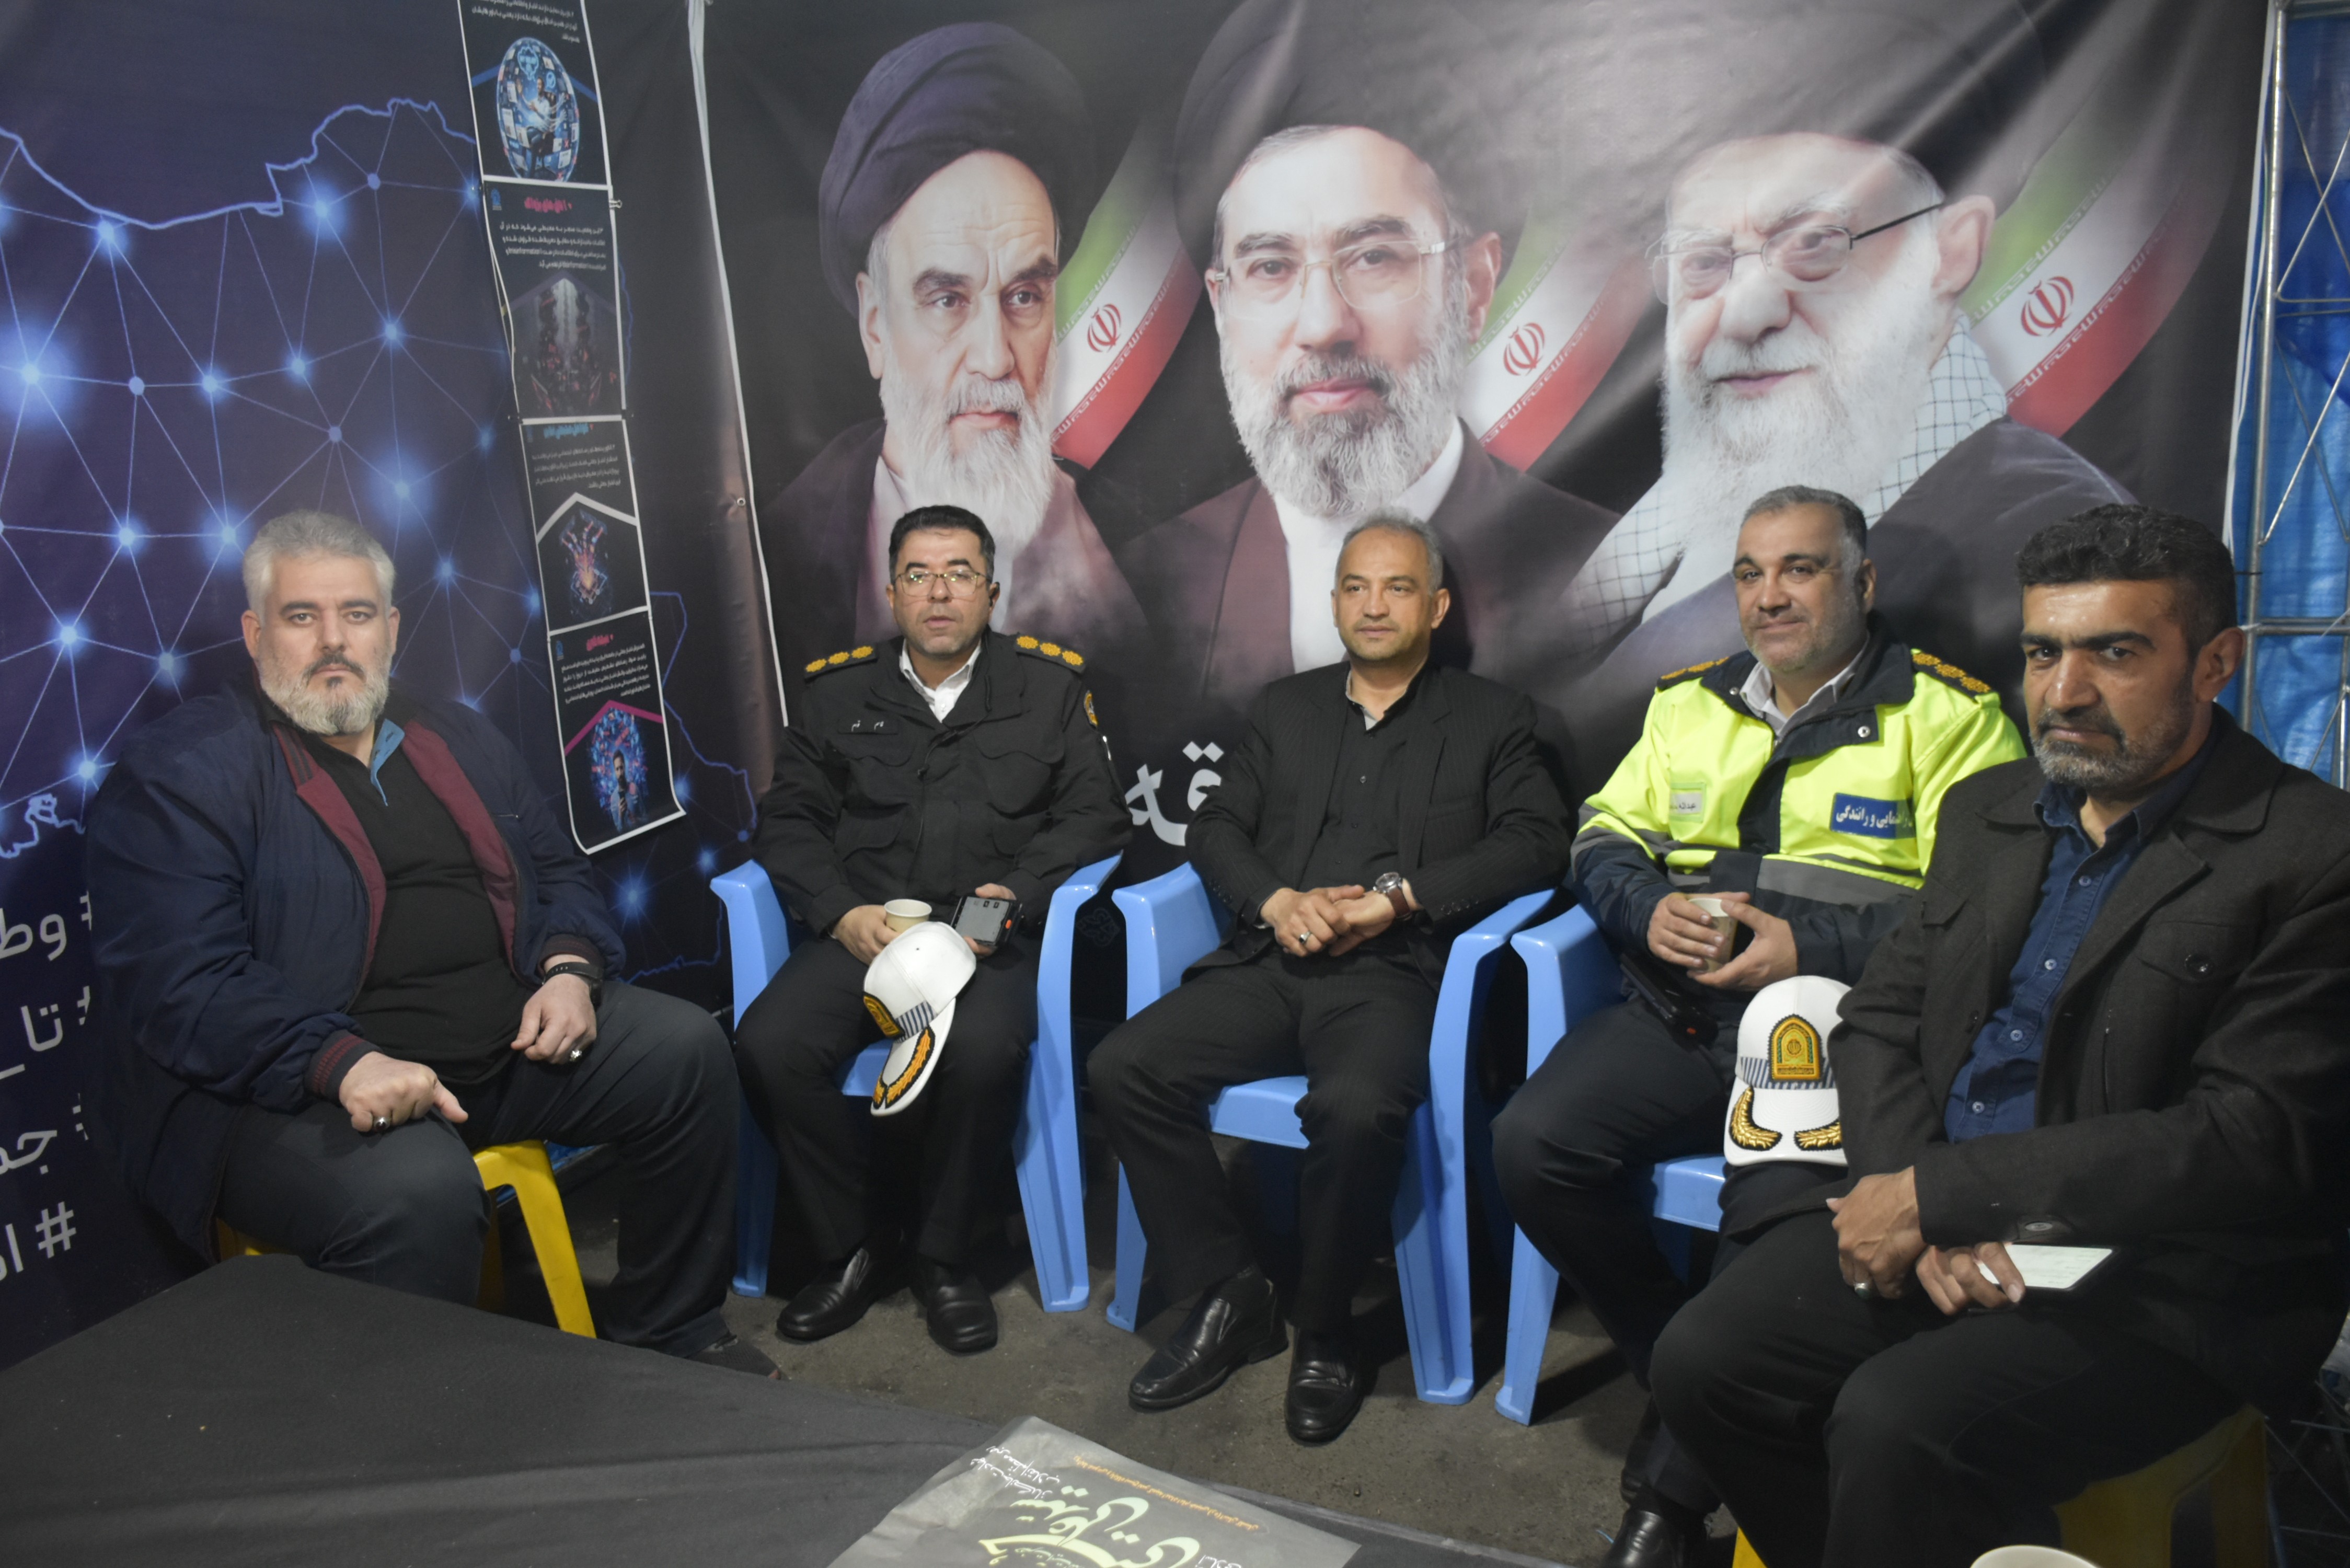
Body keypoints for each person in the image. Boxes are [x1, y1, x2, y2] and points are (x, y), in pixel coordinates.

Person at [1649, 505, 2350, 1568]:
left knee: (1898, 1422)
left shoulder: (2311, 852)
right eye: (2042, 653)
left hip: (2169, 1277)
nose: (2065, 692)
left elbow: (2248, 1140)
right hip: (1946, 1219)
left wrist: (1943, 1198)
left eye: (2115, 654)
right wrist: (1916, 1203)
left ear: (2215, 662)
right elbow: (1880, 1018)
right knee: (1704, 1358)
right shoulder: (1990, 809)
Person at [86, 512, 767, 1374]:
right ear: (256, 634)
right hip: (295, 1091)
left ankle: (673, 1334)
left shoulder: (457, 734)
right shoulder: (180, 774)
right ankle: (414, 1433)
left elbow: (558, 870)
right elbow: (182, 983)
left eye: (357, 614)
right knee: (417, 1193)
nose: (334, 641)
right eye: (302, 617)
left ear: (392, 627)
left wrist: (569, 969)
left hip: (499, 1048)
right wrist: (341, 1063)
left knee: (685, 1052)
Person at [1491, 487, 2021, 1566]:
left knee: (1768, 1213)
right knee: (1532, 1146)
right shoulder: (1686, 704)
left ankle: (1666, 1494)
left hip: (1841, 1035)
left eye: (1799, 569)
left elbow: (1980, 915)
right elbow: (1602, 834)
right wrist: (1646, 909)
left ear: (1861, 582)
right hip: (1685, 1015)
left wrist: (1810, 947)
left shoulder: (1953, 719)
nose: (1769, 596)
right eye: (1748, 573)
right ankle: (1680, 1374)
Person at [1090, 515, 1571, 1444]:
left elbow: (1536, 844)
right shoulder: (1286, 709)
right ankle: (1230, 1292)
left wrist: (1397, 902)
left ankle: (1324, 1328)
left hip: (1394, 975)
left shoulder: (1494, 719)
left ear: (1436, 606)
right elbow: (1217, 828)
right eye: (1356, 587)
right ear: (1336, 601)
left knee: (1354, 1108)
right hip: (1271, 960)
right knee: (1124, 1067)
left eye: (1397, 588)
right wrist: (1275, 902)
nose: (1374, 606)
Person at [1553, 0, 2128, 766]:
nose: (1746, 312)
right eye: (1704, 262)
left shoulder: (2053, 546)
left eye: (1815, 245)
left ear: (1952, 251)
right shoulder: (1668, 516)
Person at [1118, 0, 1616, 716]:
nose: (1324, 324)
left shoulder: (1599, 578)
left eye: (1376, 257)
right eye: (1270, 267)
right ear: (1222, 306)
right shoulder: (1141, 598)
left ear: (1473, 288)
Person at [736, 503, 1130, 1356]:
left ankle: (945, 1256)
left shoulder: (1049, 688)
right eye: (918, 575)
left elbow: (1095, 817)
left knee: (984, 1053)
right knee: (770, 1044)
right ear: (891, 592)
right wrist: (839, 912)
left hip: (984, 942)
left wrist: (1008, 901)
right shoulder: (837, 692)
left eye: (959, 574)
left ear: (992, 591)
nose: (939, 593)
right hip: (869, 932)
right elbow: (789, 821)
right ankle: (857, 1243)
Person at [761, 22, 1140, 705]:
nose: (995, 358)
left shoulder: (1130, 547)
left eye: (1024, 296)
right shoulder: (776, 563)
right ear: (876, 325)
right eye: (947, 300)